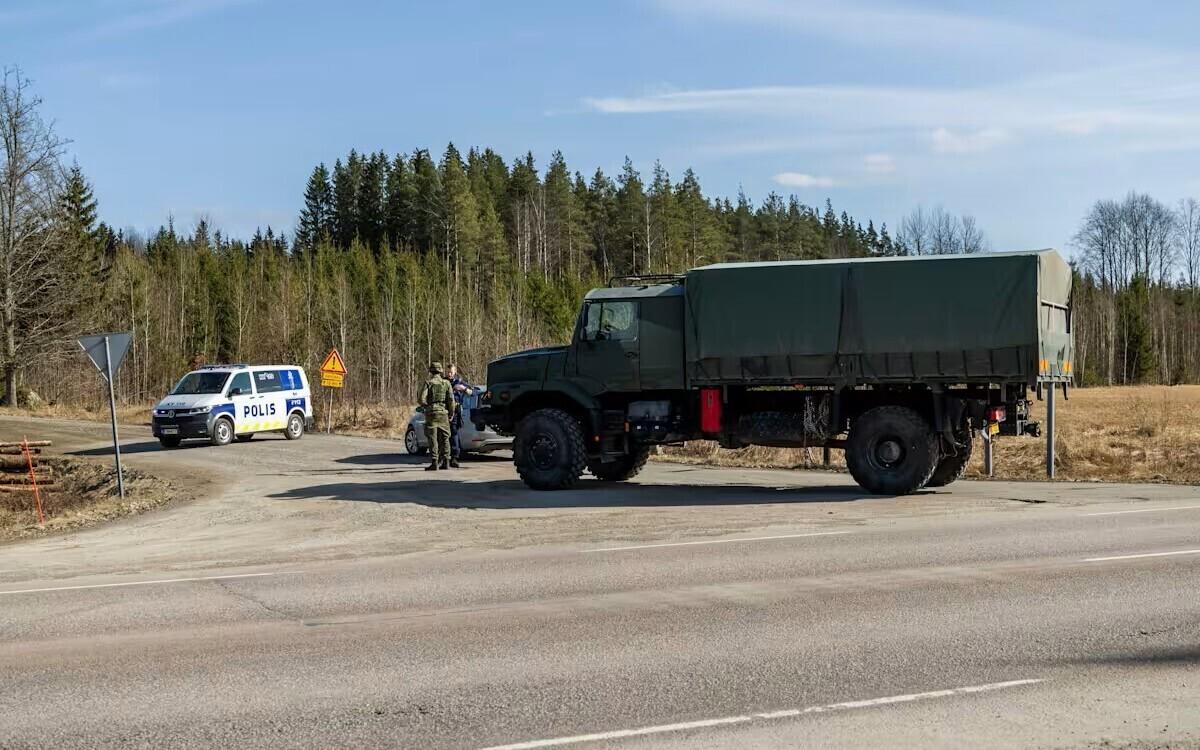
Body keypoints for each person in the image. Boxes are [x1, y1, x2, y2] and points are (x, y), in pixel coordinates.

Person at [420, 362, 455, 471]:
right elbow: (451, 401)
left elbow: (421, 399)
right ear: (440, 371)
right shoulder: (446, 383)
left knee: (432, 438)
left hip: (431, 413)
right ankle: (446, 461)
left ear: (431, 371)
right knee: (445, 438)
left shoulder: (428, 383)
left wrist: (428, 407)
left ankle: (434, 462)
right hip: (443, 413)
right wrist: (451, 413)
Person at [447, 363, 469, 468]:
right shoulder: (444, 382)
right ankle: (445, 457)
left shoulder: (459, 382)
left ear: (455, 372)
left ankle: (455, 457)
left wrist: (463, 389)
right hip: (445, 411)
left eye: (451, 372)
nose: (449, 374)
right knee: (445, 435)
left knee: (454, 433)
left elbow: (473, 392)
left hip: (456, 410)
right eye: (448, 372)